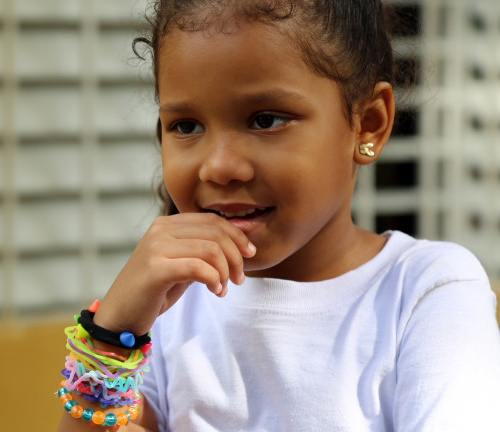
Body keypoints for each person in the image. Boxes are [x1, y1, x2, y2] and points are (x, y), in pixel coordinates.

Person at [56, 0, 500, 430]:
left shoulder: (425, 292)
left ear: (368, 122)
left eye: (266, 120)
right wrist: (111, 333)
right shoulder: (171, 305)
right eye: (186, 126)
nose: (218, 167)